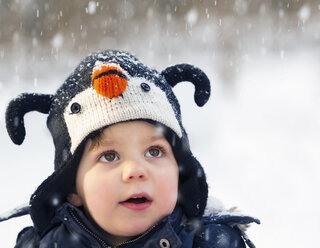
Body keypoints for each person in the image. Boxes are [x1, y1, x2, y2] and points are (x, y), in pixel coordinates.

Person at [1, 50, 259, 247]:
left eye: (154, 152)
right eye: (109, 156)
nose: (136, 170)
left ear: (180, 172)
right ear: (71, 189)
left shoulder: (214, 242)